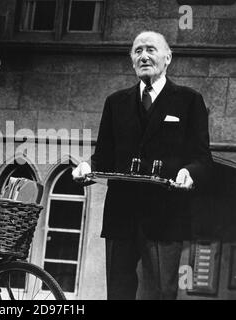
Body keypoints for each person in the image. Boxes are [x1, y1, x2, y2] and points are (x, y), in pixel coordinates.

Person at [72, 31, 212, 300]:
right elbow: (103, 156)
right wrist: (86, 167)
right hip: (121, 215)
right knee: (118, 293)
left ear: (168, 57)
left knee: (161, 292)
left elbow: (203, 160)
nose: (144, 56)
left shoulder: (189, 100)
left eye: (151, 49)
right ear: (131, 59)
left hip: (165, 216)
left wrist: (188, 172)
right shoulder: (115, 102)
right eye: (137, 51)